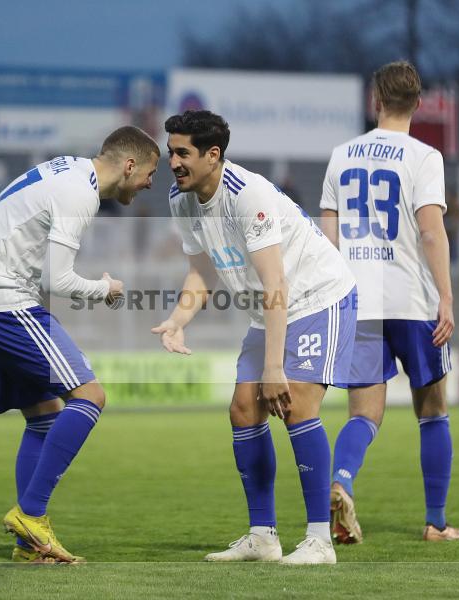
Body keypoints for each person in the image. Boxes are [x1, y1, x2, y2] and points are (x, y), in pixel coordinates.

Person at [153, 110, 357, 565]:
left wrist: (273, 368)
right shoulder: (181, 199)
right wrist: (178, 319)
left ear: (213, 155)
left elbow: (275, 283)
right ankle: (263, 538)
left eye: (182, 153)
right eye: (171, 153)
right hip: (274, 311)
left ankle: (320, 542)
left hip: (317, 298)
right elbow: (201, 271)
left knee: (296, 403)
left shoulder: (250, 196)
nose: (174, 162)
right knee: (244, 409)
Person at [0, 126, 159, 563]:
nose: (149, 184)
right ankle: (31, 515)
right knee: (90, 396)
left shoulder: (65, 169)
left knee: (45, 414)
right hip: (4, 299)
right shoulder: (80, 194)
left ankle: (30, 545)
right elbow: (57, 279)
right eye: (149, 173)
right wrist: (103, 288)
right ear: (129, 165)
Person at [319, 60, 459, 545]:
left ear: (374, 100)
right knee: (433, 410)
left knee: (363, 414)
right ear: (418, 103)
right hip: (412, 299)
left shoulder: (342, 155)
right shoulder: (424, 157)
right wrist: (446, 296)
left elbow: (329, 234)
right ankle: (436, 523)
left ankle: (340, 482)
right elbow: (430, 229)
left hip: (357, 300)